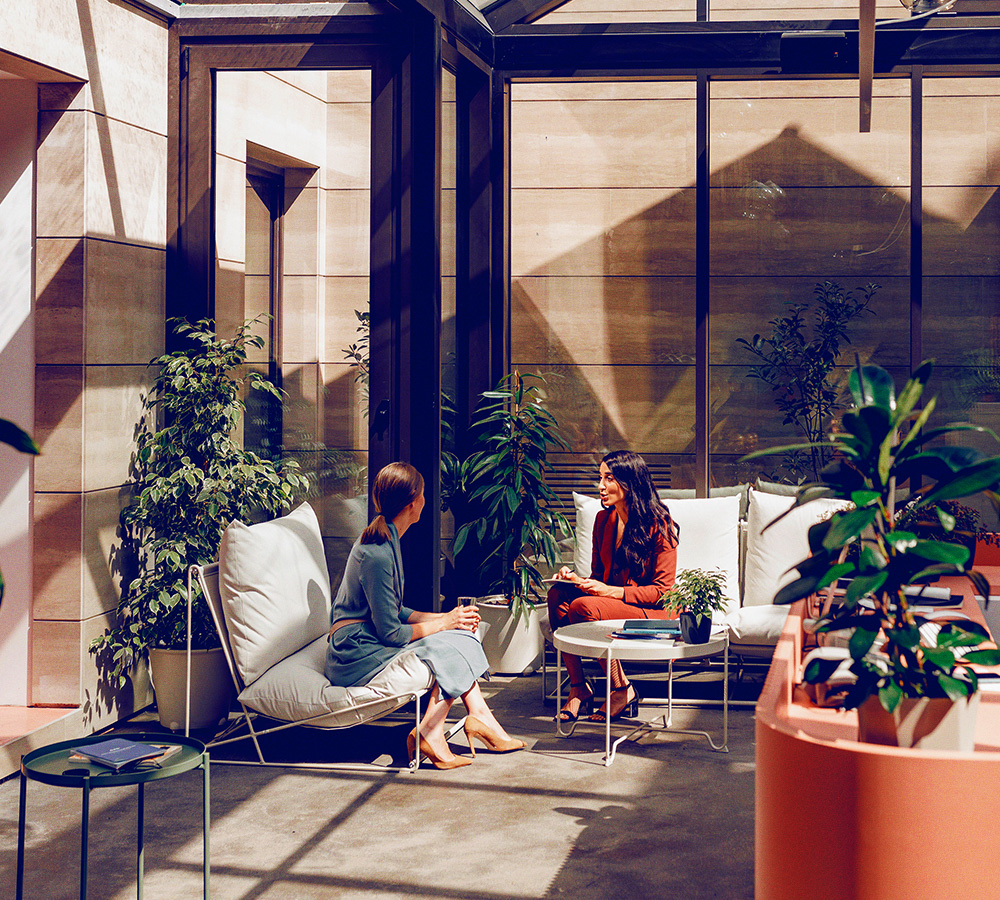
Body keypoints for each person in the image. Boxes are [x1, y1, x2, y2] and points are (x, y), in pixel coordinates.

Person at [325, 462, 525, 769]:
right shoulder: (376, 552)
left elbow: (393, 610)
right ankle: (444, 727)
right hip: (354, 653)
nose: (425, 501)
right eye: (422, 495)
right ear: (412, 503)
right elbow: (390, 632)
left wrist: (446, 617)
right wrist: (443, 623)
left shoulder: (388, 540)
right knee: (450, 642)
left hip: (366, 639)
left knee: (462, 633)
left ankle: (473, 718)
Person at [547, 450, 679, 723]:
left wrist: (611, 592)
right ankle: (578, 687)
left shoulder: (659, 524)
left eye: (608, 478)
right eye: (600, 477)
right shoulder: (603, 520)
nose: (600, 486)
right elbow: (600, 576)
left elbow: (664, 591)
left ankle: (621, 689)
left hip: (652, 610)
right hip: (617, 603)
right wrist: (577, 581)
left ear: (629, 482)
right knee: (558, 594)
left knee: (583, 607)